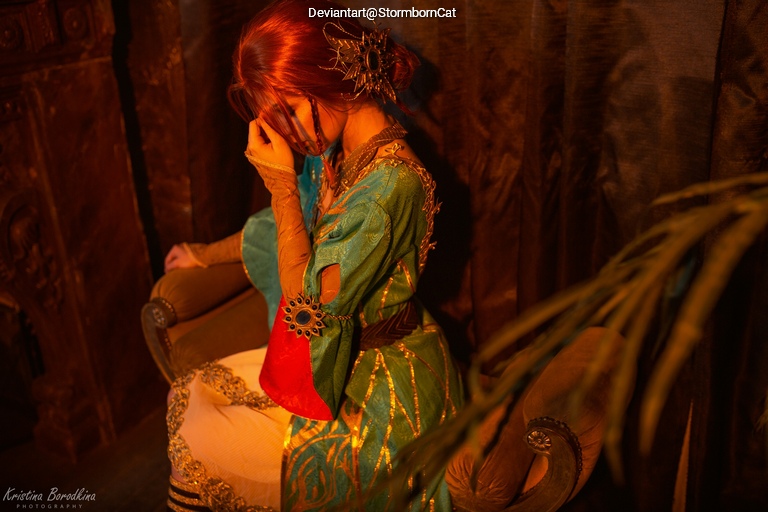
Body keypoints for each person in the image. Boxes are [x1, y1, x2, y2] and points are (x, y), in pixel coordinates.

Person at [163, 1, 463, 510]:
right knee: (188, 394)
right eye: (274, 120)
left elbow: (308, 308)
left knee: (200, 439)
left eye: (290, 112)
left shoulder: (388, 186)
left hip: (383, 390)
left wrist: (280, 187)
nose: (289, 135)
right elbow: (279, 232)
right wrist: (205, 253)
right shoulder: (336, 153)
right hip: (339, 357)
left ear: (333, 80)